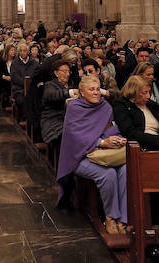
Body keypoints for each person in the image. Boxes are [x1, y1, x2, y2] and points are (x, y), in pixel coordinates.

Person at [56, 75, 128, 234]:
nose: (96, 93)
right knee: (108, 174)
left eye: (98, 89)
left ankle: (124, 218)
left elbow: (111, 129)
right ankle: (110, 216)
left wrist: (116, 140)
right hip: (79, 157)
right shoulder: (74, 107)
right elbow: (74, 137)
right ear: (82, 92)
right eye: (91, 90)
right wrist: (100, 143)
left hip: (104, 154)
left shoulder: (106, 107)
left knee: (125, 170)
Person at [113, 75, 159, 151]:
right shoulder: (122, 105)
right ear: (133, 92)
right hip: (142, 147)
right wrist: (157, 141)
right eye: (144, 93)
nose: (148, 96)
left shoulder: (151, 105)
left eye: (149, 92)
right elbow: (130, 133)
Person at [40, 60, 77, 150]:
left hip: (71, 119)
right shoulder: (50, 85)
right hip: (53, 120)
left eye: (69, 71)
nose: (67, 74)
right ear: (56, 73)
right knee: (66, 135)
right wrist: (70, 92)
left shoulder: (72, 84)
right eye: (64, 71)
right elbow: (53, 95)